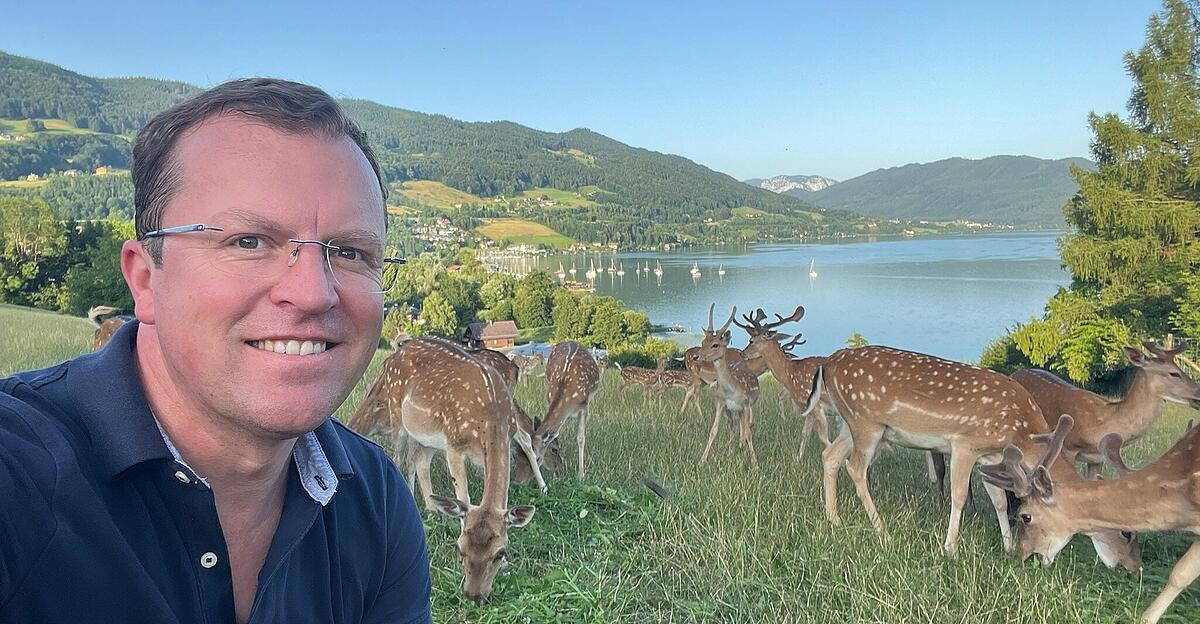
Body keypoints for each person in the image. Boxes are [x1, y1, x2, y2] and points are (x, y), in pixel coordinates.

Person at [0, 79, 432, 623]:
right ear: (145, 279)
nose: (314, 292)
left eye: (350, 252)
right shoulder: (17, 477)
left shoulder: (375, 502)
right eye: (248, 242)